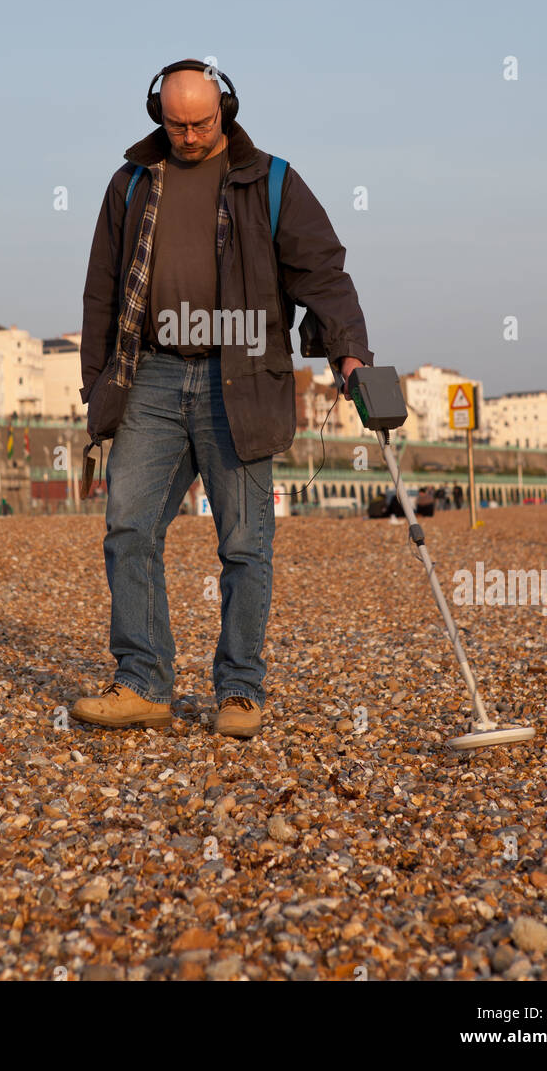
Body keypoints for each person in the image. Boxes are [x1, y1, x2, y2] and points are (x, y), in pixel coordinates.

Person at [72, 58, 373, 738]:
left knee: (243, 544)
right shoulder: (129, 184)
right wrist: (98, 383)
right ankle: (142, 681)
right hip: (149, 373)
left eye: (201, 121)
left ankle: (240, 690)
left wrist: (347, 350)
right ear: (158, 113)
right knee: (129, 529)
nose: (189, 135)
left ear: (226, 108)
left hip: (238, 376)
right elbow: (100, 289)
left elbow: (322, 272)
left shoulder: (270, 181)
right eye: (176, 123)